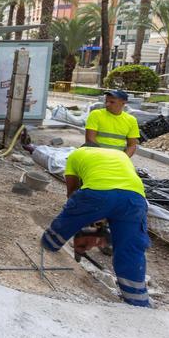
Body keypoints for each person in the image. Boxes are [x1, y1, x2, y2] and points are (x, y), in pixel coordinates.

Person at [41, 147, 151, 307]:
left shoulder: (74, 156)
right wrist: (98, 225)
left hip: (97, 193)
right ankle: (137, 301)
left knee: (68, 219)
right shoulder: (121, 155)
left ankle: (48, 246)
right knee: (130, 248)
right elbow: (118, 192)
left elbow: (72, 193)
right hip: (134, 200)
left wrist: (86, 221)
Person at [85, 90, 139, 157]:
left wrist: (123, 159)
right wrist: (100, 156)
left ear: (123, 102)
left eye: (112, 102)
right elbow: (90, 139)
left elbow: (132, 145)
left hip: (117, 159)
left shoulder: (131, 120)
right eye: (106, 101)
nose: (107, 104)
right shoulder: (96, 114)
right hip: (96, 156)